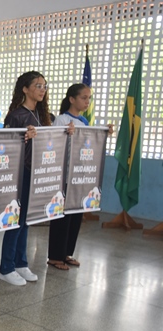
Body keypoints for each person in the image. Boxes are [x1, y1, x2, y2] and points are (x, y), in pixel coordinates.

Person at [47, 83, 112, 270]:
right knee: (61, 217)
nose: (87, 101)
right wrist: (67, 134)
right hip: (64, 176)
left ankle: (67, 253)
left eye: (89, 98)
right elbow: (53, 143)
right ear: (72, 99)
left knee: (75, 215)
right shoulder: (61, 120)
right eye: (84, 97)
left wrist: (104, 133)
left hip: (79, 175)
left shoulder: (83, 122)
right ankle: (55, 256)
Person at [0, 71, 44, 286]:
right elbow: (6, 146)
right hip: (20, 173)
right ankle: (6, 267)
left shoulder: (43, 115)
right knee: (15, 220)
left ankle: (21, 263)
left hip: (36, 172)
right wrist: (25, 138)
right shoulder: (17, 116)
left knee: (26, 220)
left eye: (44, 86)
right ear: (25, 89)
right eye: (37, 86)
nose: (42, 90)